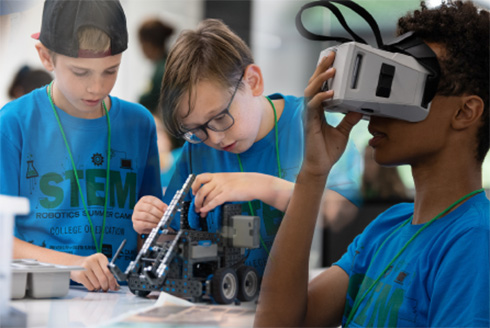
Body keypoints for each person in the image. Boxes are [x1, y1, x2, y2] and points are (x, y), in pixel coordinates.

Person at [254, 1, 489, 327]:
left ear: (465, 112)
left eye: (403, 85)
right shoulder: (388, 227)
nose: (375, 110)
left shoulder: (475, 240)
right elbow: (278, 323)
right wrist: (313, 173)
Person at [131, 18, 362, 277]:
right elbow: (173, 241)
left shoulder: (313, 126)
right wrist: (153, 226)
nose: (215, 139)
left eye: (220, 117)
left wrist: (262, 186)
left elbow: (344, 215)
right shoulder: (196, 152)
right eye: (196, 130)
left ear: (252, 81)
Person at [0, 0, 162, 293]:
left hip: (124, 297)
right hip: (45, 298)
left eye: (110, 71)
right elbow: (1, 241)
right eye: (80, 72)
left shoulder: (139, 124)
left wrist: (155, 224)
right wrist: (71, 264)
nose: (97, 87)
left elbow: (150, 238)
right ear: (46, 57)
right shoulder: (14, 124)